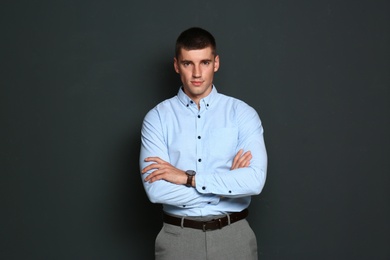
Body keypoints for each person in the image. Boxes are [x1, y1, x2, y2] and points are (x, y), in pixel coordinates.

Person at [139, 27, 267, 260]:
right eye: (188, 63)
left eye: (205, 62)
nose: (197, 73)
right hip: (177, 238)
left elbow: (254, 182)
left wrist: (188, 179)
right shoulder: (157, 118)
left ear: (216, 63)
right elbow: (156, 191)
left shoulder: (242, 114)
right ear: (177, 65)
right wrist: (225, 188)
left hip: (233, 236)